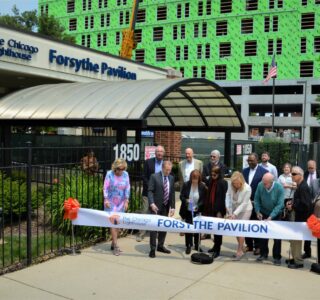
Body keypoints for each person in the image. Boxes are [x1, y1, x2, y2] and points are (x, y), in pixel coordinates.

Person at [136, 145, 165, 242]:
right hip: (147, 192)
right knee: (144, 212)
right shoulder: (148, 162)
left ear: (163, 153)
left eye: (161, 152)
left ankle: (156, 232)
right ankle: (141, 233)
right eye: (158, 151)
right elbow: (144, 176)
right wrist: (151, 187)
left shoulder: (165, 164)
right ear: (155, 153)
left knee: (158, 213)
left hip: (160, 194)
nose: (159, 153)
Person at [254, 173, 284, 266]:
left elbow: (280, 204)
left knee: (277, 237)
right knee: (263, 235)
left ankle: (277, 257)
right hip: (263, 212)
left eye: (266, 183)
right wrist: (258, 211)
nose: (264, 184)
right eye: (263, 182)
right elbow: (256, 199)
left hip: (276, 214)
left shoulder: (279, 188)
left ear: (272, 182)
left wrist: (271, 216)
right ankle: (263, 254)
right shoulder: (260, 185)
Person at [286, 166, 313, 269]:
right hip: (298, 216)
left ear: (300, 175)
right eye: (291, 174)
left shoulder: (304, 187)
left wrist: (293, 206)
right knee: (293, 239)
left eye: (293, 174)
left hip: (301, 218)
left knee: (296, 240)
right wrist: (292, 203)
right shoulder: (300, 186)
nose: (291, 176)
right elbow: (300, 201)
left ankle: (298, 261)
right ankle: (295, 257)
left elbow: (306, 205)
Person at [148, 160, 175, 258]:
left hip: (166, 206)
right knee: (154, 227)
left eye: (170, 170)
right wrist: (151, 203)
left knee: (164, 226)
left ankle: (160, 245)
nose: (168, 172)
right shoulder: (154, 177)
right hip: (155, 206)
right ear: (162, 168)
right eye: (167, 170)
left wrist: (173, 207)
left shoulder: (171, 178)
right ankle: (152, 248)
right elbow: (150, 191)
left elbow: (171, 193)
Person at [242, 152, 268, 255]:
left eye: (251, 160)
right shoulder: (244, 171)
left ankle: (258, 246)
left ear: (257, 160)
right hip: (246, 202)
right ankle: (249, 245)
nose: (249, 162)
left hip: (258, 203)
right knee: (247, 224)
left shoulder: (264, 172)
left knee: (256, 224)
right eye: (248, 160)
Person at [103, 158, 130, 256]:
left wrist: (127, 200)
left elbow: (127, 187)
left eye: (123, 169)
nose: (121, 171)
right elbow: (105, 187)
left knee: (118, 224)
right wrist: (105, 199)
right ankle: (115, 245)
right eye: (119, 169)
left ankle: (113, 242)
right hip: (110, 202)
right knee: (113, 223)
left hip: (121, 203)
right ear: (115, 168)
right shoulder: (109, 174)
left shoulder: (126, 174)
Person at [179, 169, 207, 254]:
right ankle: (188, 245)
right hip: (188, 208)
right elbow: (181, 196)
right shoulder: (186, 184)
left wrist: (198, 206)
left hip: (197, 210)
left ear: (199, 178)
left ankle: (197, 245)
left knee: (197, 228)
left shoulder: (202, 186)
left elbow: (203, 199)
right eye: (193, 179)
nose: (194, 181)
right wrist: (186, 200)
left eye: (196, 179)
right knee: (188, 228)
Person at [226, 171, 252, 260]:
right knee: (236, 230)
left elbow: (244, 204)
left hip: (245, 210)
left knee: (240, 230)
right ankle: (242, 247)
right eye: (234, 183)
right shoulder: (230, 185)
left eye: (238, 183)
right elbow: (228, 197)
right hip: (234, 209)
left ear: (242, 181)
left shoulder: (247, 188)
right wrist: (229, 212)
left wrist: (234, 214)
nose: (236, 185)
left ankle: (239, 251)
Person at [204, 166, 228, 258]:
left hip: (219, 210)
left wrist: (220, 212)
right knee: (214, 229)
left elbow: (223, 198)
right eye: (212, 174)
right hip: (211, 209)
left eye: (215, 174)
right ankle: (214, 246)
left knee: (218, 231)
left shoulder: (223, 183)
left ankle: (218, 249)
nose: (213, 175)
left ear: (219, 173)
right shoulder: (211, 181)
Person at [303, 160, 320, 258]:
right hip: (310, 208)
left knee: (318, 232)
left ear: (315, 166)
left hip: (318, 208)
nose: (310, 170)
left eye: (312, 168)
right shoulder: (305, 175)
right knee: (308, 229)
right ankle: (307, 251)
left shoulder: (318, 175)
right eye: (308, 168)